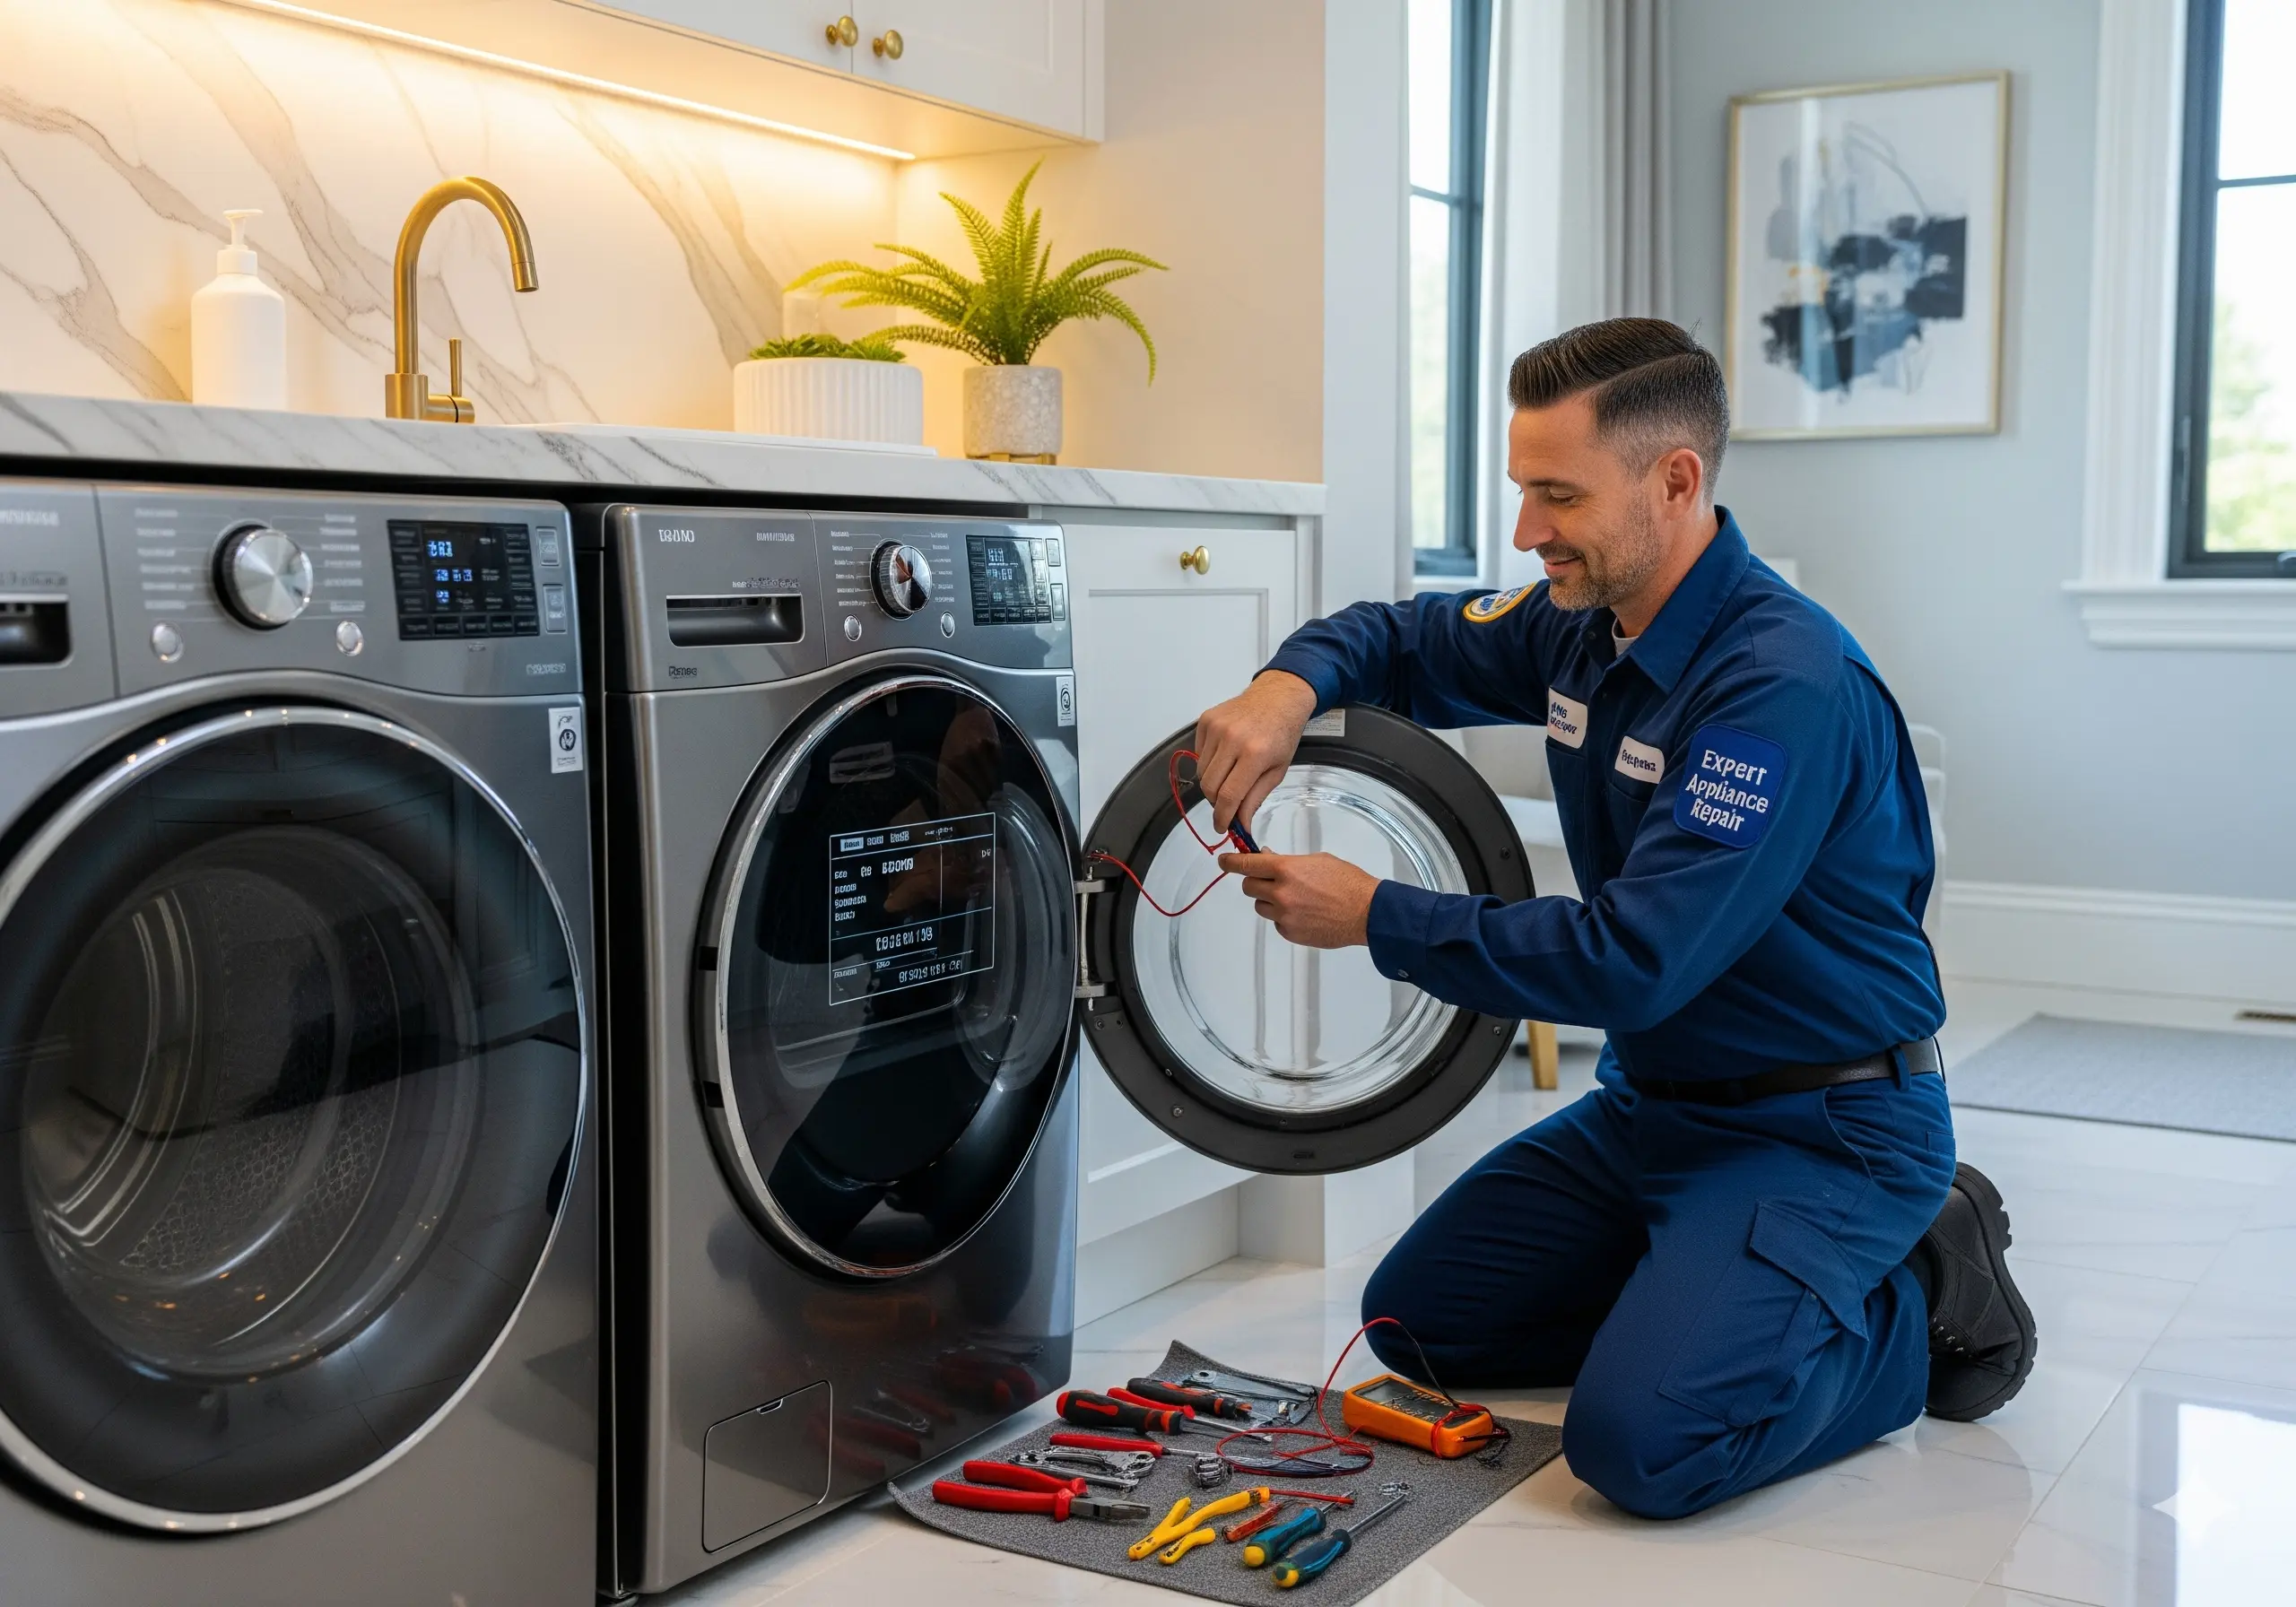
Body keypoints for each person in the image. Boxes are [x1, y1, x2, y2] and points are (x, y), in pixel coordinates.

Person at [1190, 317, 2036, 1520]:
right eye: (1524, 491)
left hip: (1823, 1127)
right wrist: (1285, 689)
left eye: (1556, 495)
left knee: (1645, 1447)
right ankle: (1711, 1291)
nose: (1529, 531)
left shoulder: (1775, 688)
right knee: (1411, 1329)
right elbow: (1398, 636)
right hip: (1652, 1112)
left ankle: (1914, 1295)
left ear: (1675, 481)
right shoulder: (1583, 623)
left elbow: (1634, 963)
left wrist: (1380, 914)